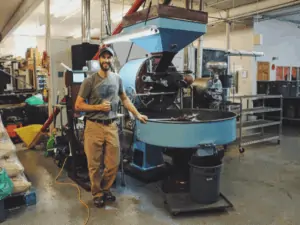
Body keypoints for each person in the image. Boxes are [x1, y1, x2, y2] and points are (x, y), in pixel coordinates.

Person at [75, 46, 148, 208]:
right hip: (93, 126)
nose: (106, 60)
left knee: (113, 163)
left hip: (111, 126)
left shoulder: (117, 79)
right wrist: (97, 108)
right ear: (99, 59)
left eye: (109, 57)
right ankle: (97, 193)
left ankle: (106, 188)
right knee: (94, 165)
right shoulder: (90, 81)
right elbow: (78, 105)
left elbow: (125, 99)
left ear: (112, 60)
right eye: (103, 57)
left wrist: (137, 114)